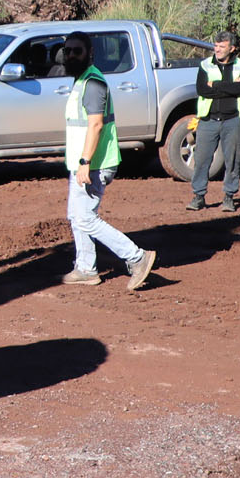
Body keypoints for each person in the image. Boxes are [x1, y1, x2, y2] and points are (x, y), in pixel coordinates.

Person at [58, 31, 156, 290]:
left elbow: (96, 125)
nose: (70, 55)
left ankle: (137, 257)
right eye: (67, 50)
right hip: (84, 162)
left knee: (86, 218)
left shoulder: (92, 83)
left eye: (76, 51)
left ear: (90, 53)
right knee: (76, 215)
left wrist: (84, 162)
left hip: (94, 163)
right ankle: (86, 268)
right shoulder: (82, 80)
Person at [188, 31, 240, 214]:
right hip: (208, 120)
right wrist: (228, 87)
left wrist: (214, 84)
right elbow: (201, 90)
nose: (218, 49)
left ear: (232, 48)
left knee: (232, 160)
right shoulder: (205, 65)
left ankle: (229, 197)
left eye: (222, 46)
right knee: (201, 159)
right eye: (216, 46)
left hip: (233, 120)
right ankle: (198, 196)